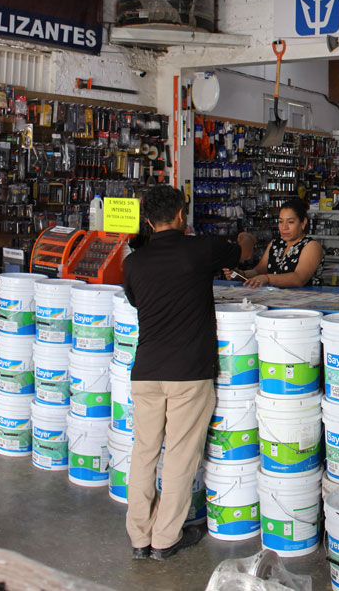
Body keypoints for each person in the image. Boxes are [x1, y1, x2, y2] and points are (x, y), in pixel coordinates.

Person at [121, 185, 240, 560]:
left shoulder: (133, 263)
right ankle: (164, 540)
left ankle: (139, 536)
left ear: (147, 221)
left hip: (146, 372)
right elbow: (241, 251)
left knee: (143, 453)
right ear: (180, 215)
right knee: (179, 457)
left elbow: (136, 300)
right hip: (188, 373)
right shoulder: (200, 249)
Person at [242, 198, 324, 288]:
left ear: (303, 223)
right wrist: (241, 274)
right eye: (280, 222)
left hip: (305, 296)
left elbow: (299, 278)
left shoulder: (311, 246)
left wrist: (267, 278)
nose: (284, 227)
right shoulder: (275, 244)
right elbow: (258, 271)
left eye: (290, 222)